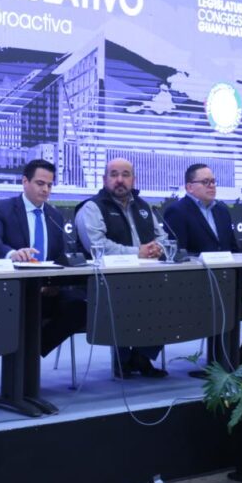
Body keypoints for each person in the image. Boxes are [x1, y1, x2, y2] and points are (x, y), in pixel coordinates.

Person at [163, 164, 242, 369]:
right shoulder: (177, 211)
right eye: (205, 182)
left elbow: (232, 247)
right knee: (224, 295)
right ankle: (219, 363)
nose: (212, 186)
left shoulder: (222, 210)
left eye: (213, 182)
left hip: (229, 278)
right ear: (189, 187)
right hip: (199, 281)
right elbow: (179, 252)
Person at [0, 159, 86, 357]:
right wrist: (12, 254)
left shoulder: (54, 215)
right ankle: (26, 354)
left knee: (80, 306)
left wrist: (55, 284)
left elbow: (58, 256)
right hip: (14, 290)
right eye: (40, 183)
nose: (45, 189)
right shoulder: (2, 208)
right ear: (25, 182)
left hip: (46, 290)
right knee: (24, 310)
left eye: (50, 185)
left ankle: (32, 349)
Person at [74, 158, 168, 378]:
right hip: (108, 280)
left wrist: (158, 248)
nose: (120, 180)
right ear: (104, 179)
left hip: (147, 277)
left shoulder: (144, 207)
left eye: (125, 175)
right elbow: (97, 246)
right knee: (127, 296)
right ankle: (122, 359)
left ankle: (142, 355)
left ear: (133, 179)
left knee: (173, 294)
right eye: (114, 174)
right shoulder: (92, 207)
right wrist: (138, 252)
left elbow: (162, 237)